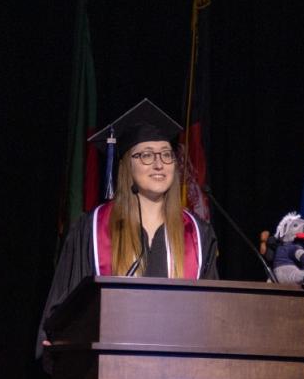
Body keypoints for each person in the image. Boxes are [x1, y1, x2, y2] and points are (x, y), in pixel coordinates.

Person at [37, 99, 218, 360]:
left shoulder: (197, 234)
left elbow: (212, 312)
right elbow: (66, 307)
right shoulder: (93, 229)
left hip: (182, 370)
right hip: (109, 370)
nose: (159, 164)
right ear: (126, 166)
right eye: (146, 154)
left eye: (166, 154)